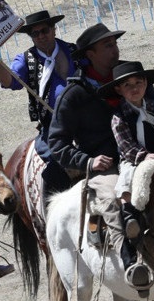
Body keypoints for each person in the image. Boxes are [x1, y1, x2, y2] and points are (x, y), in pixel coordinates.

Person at [103, 60, 154, 292]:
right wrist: (143, 157)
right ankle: (130, 223)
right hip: (135, 160)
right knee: (128, 184)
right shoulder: (119, 116)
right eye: (127, 85)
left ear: (146, 83)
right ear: (119, 89)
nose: (134, 88)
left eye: (138, 82)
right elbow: (126, 147)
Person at [41, 23, 126, 198]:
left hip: (144, 153)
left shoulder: (131, 77)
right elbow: (57, 144)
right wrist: (88, 161)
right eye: (108, 46)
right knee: (111, 201)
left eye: (115, 44)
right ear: (90, 54)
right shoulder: (73, 95)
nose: (115, 50)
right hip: (106, 165)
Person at [0, 9, 74, 131]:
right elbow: (8, 81)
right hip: (53, 127)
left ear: (54, 30)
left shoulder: (73, 51)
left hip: (85, 115)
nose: (41, 36)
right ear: (31, 37)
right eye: (35, 34)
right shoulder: (25, 60)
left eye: (45, 31)